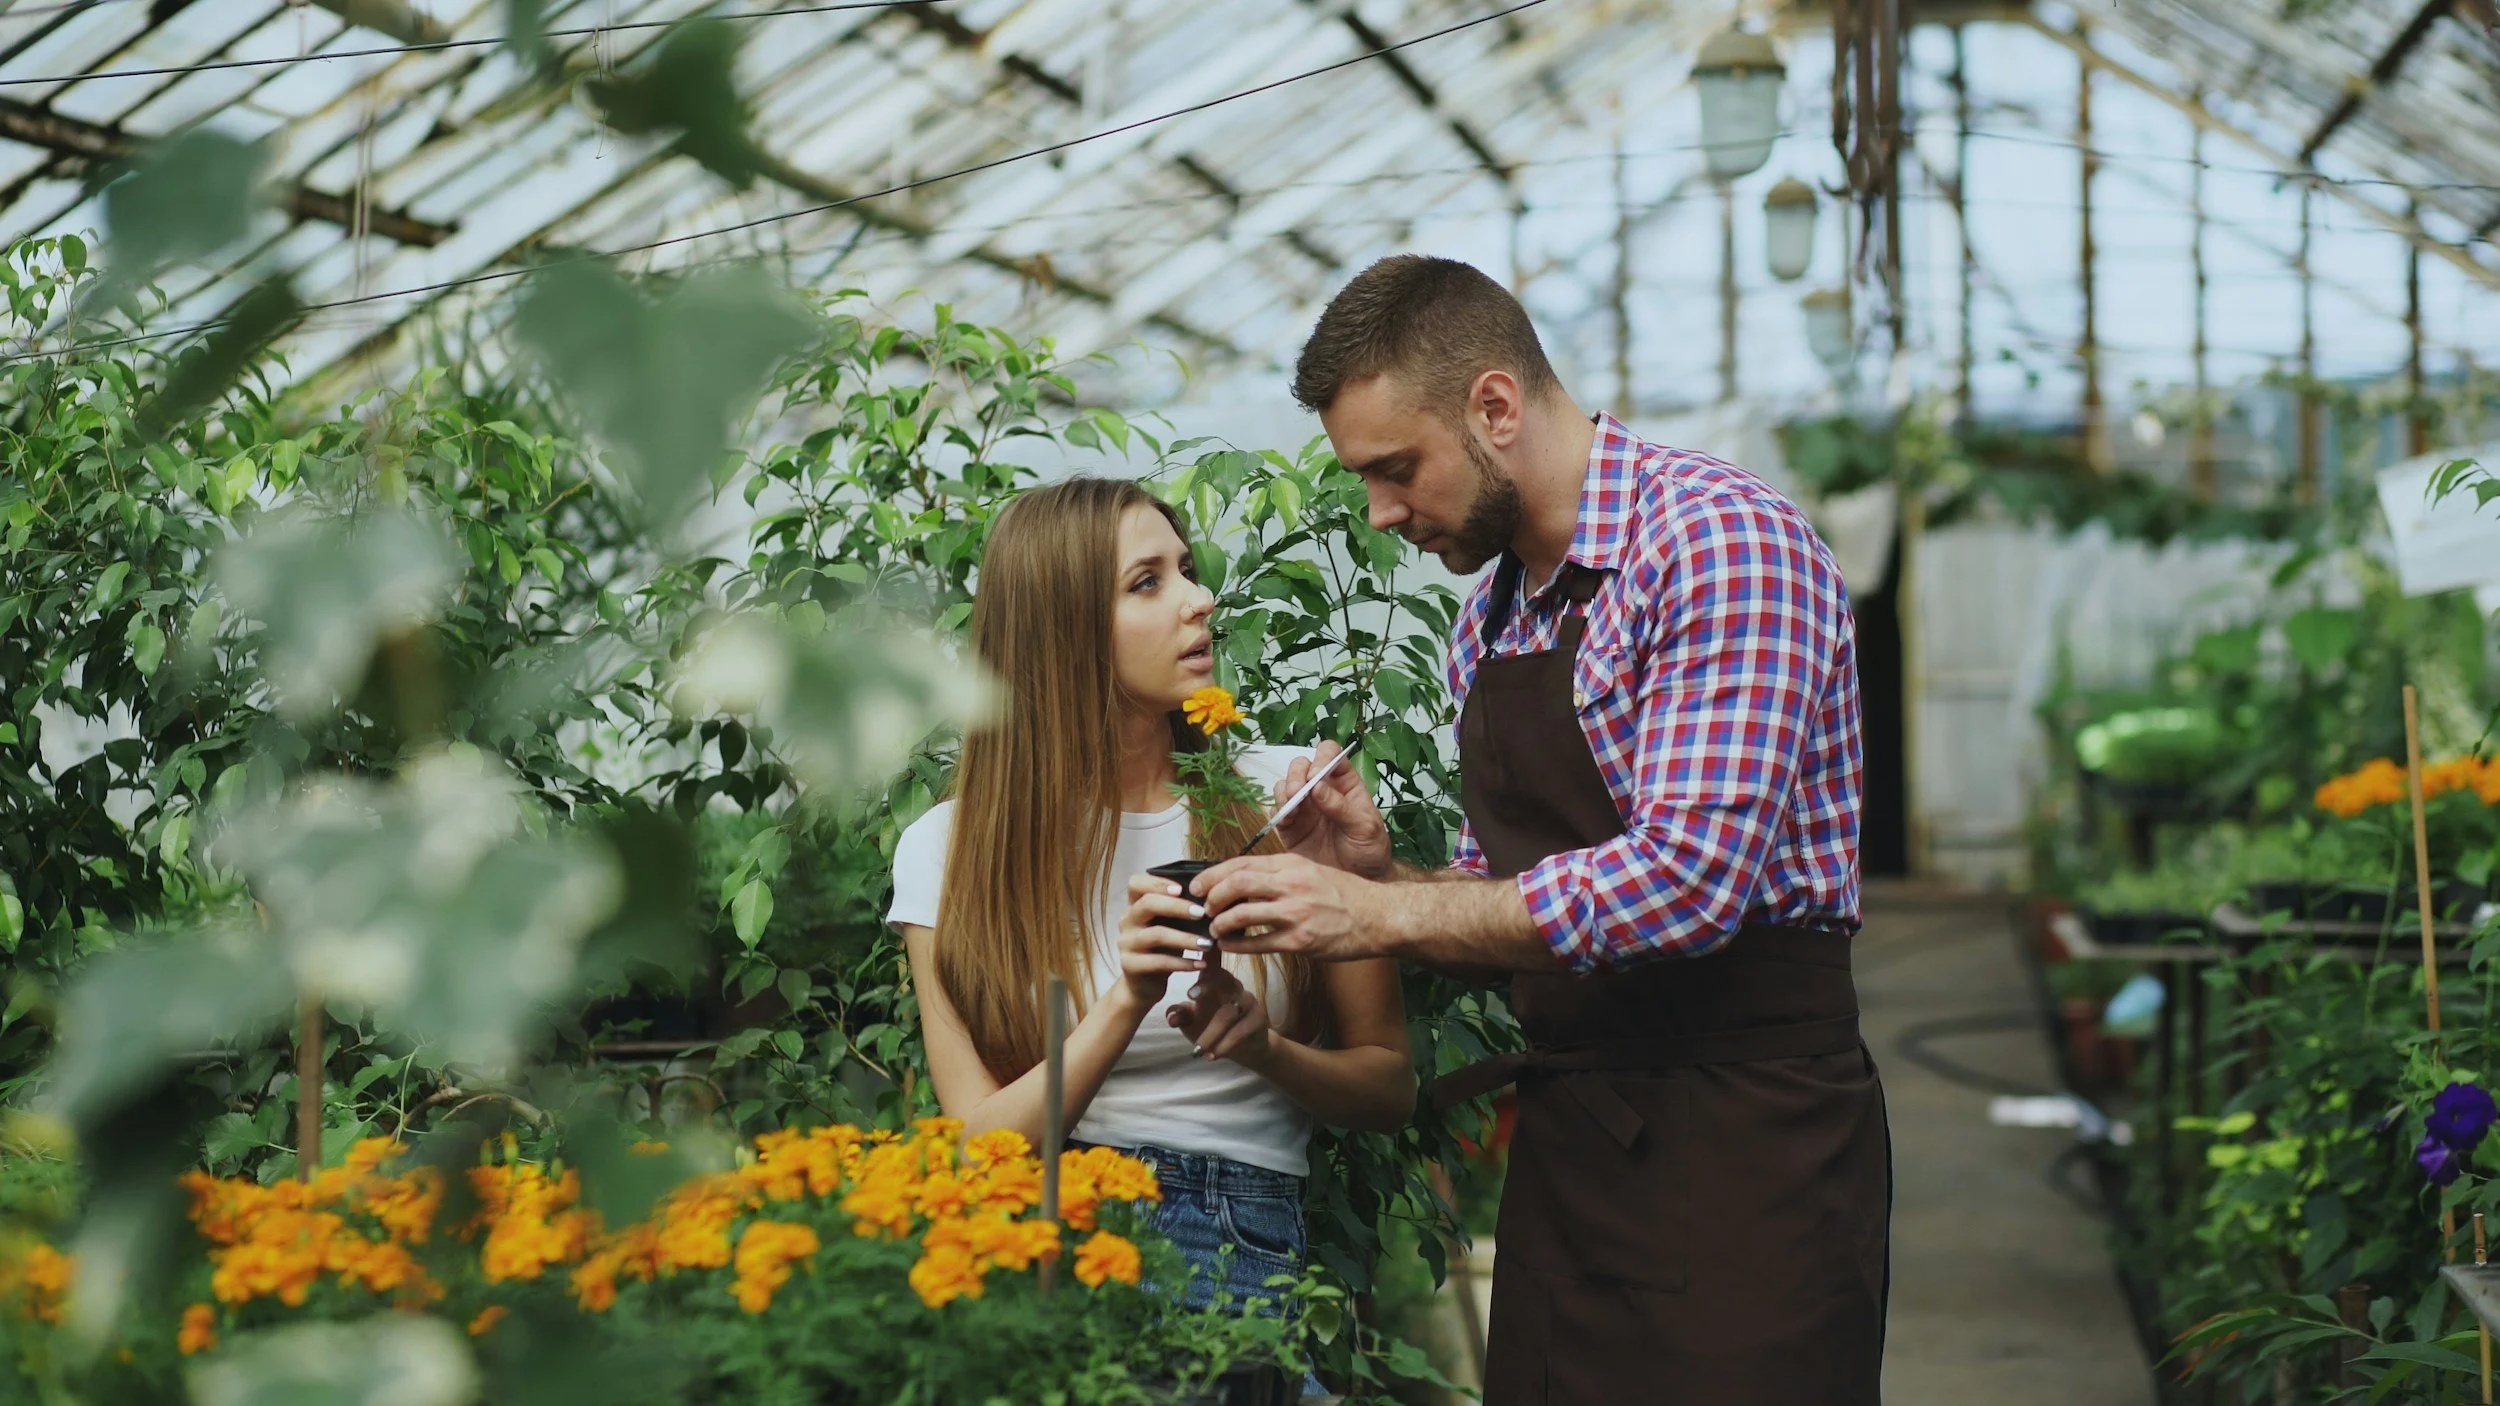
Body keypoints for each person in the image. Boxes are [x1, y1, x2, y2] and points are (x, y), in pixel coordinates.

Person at [1194, 255, 1891, 1404]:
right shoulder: (1498, 617)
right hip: (1579, 1145)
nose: (1380, 512)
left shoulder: (1716, 544)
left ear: (1495, 407)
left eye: (1393, 469)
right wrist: (1388, 870)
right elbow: (1498, 890)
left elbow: (1687, 882)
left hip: (1748, 1136)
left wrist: (1375, 913)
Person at [886, 474, 1414, 1332]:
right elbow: (979, 1148)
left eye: (1187, 569)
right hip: (1044, 1247)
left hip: (1243, 1236)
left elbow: (1389, 1087)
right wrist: (1125, 1001)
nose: (1200, 600)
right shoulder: (952, 850)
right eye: (1148, 582)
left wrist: (1267, 1050)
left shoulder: (1282, 802)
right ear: (1064, 634)